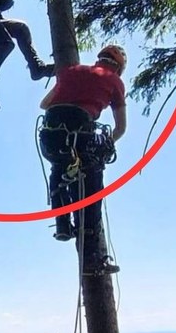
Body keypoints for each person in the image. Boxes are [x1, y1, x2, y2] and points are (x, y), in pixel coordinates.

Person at [38, 45, 128, 274]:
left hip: (51, 135)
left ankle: (62, 224)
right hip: (82, 135)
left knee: (58, 168)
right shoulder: (115, 81)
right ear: (118, 67)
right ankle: (94, 261)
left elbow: (44, 104)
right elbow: (120, 128)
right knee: (92, 195)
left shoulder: (71, 71)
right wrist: (105, 145)